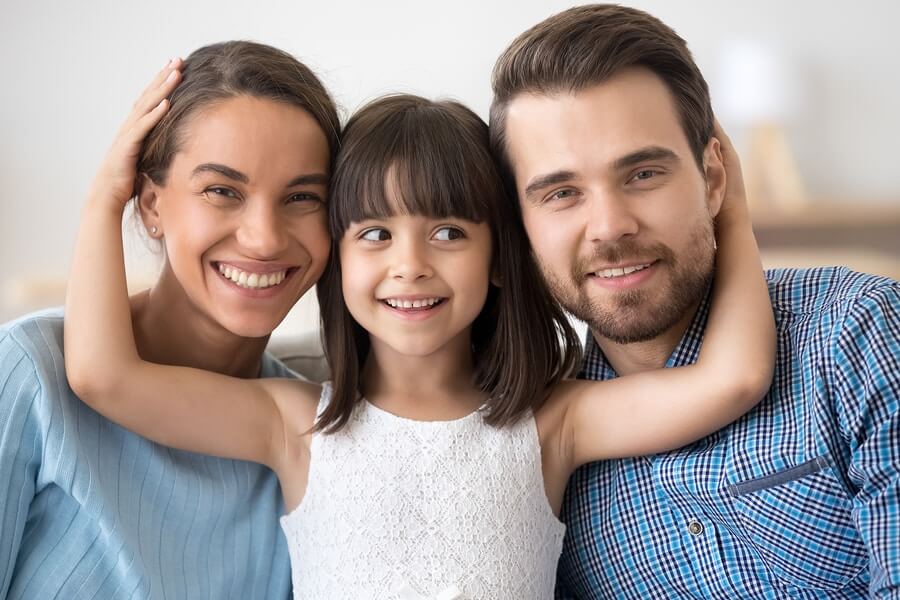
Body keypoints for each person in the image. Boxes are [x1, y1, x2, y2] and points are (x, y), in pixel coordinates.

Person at [65, 72, 773, 597]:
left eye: (447, 232)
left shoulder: (556, 422)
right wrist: (105, 199)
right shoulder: (288, 423)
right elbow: (104, 376)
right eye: (374, 234)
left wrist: (731, 214)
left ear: (498, 259)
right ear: (337, 258)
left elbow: (733, 378)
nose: (410, 266)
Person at [489, 4, 900, 598]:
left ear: (713, 178)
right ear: (519, 226)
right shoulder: (536, 447)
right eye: (561, 192)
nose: (609, 226)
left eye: (643, 175)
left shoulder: (857, 332)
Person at [0, 41, 340, 599]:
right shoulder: (29, 373)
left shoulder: (309, 430)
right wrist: (101, 200)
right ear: (151, 205)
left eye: (302, 197)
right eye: (222, 191)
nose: (265, 238)